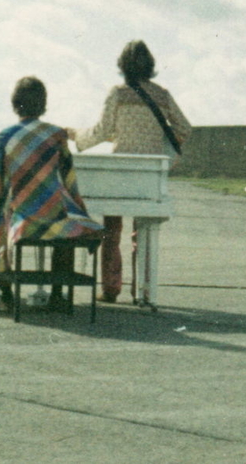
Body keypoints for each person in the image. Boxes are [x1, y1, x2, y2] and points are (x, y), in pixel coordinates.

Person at [68, 40, 191, 303]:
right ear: (151, 66)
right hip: (149, 174)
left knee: (111, 231)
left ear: (122, 65)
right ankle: (142, 291)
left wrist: (76, 136)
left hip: (120, 172)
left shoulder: (118, 94)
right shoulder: (162, 95)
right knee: (143, 230)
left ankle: (111, 288)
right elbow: (184, 128)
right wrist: (161, 144)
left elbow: (101, 132)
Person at [0, 77, 102, 310]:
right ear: (43, 104)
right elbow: (68, 182)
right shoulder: (57, 136)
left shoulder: (2, 137)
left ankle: (4, 295)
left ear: (15, 104)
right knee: (69, 218)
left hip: (20, 221)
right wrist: (77, 209)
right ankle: (57, 295)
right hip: (53, 219)